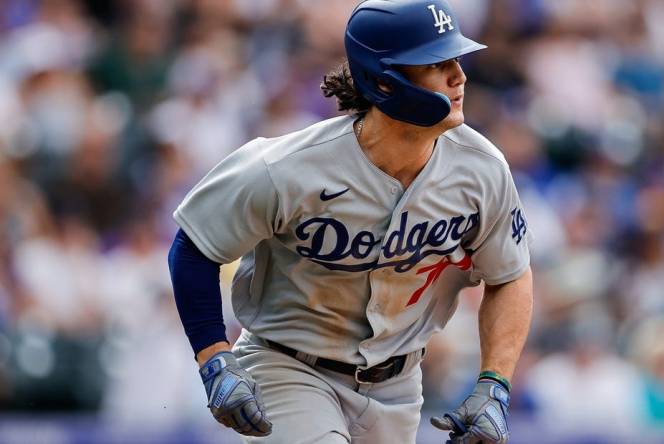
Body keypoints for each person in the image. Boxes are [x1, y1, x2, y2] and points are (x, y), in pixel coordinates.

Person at [167, 1, 534, 443]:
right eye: (436, 64)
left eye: (456, 59)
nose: (459, 76)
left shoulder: (481, 168)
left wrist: (495, 383)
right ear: (384, 81)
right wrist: (214, 357)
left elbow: (510, 274)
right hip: (289, 366)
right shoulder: (287, 167)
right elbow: (194, 246)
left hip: (399, 385)